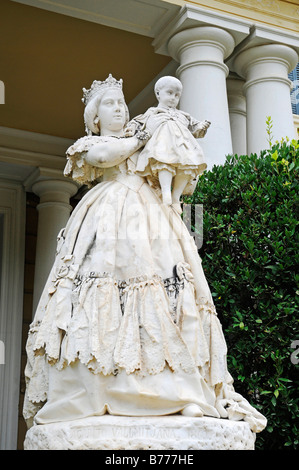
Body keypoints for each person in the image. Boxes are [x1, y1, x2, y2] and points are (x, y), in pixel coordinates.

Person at [23, 75, 266, 435]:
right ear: (95, 118)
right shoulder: (92, 142)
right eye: (111, 104)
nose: (120, 109)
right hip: (107, 218)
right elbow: (105, 156)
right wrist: (143, 136)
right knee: (102, 294)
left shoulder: (148, 134)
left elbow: (180, 169)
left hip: (153, 217)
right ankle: (97, 386)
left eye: (122, 103)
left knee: (169, 289)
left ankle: (178, 389)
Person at [128, 76, 210, 213]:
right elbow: (137, 125)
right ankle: (166, 192)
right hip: (162, 145)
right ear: (158, 93)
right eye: (170, 93)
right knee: (164, 163)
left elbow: (195, 129)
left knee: (187, 166)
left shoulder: (183, 115)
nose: (173, 98)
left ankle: (175, 196)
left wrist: (201, 126)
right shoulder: (153, 112)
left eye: (177, 95)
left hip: (183, 146)